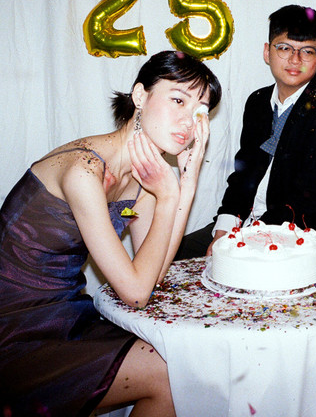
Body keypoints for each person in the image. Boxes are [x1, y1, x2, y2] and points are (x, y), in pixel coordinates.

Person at [0, 50, 221, 417]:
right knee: (172, 377)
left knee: (182, 369)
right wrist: (168, 196)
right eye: (178, 100)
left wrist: (188, 181)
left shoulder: (143, 179)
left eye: (200, 111)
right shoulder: (84, 169)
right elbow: (136, 294)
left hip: (63, 316)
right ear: (140, 96)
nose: (189, 121)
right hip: (14, 330)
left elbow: (154, 274)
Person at [176, 4, 316, 258]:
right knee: (175, 256)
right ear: (267, 52)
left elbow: (308, 200)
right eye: (284, 48)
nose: (295, 60)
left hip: (295, 236)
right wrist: (224, 229)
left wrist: (241, 239)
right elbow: (243, 175)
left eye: (307, 51)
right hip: (245, 225)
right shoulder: (257, 101)